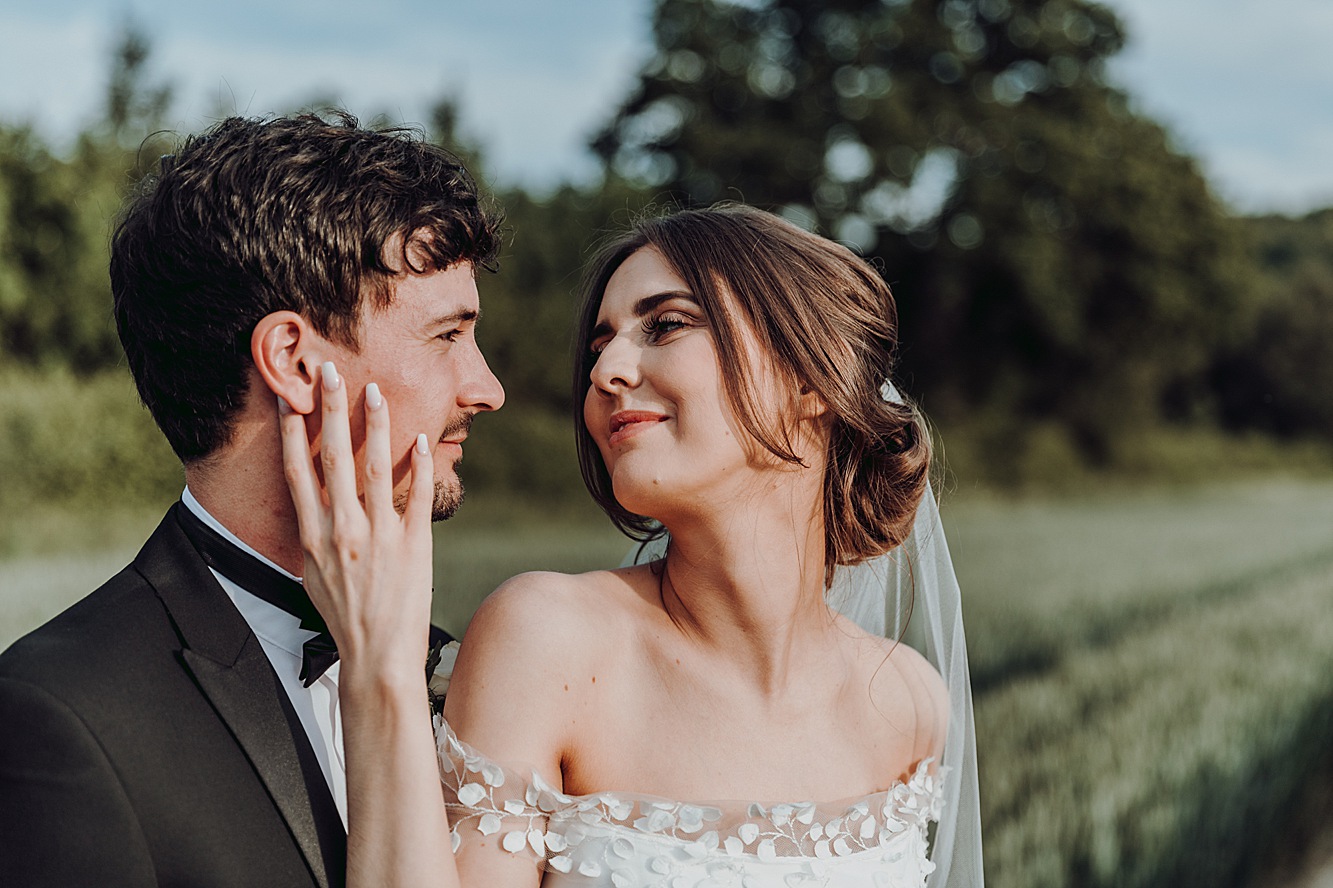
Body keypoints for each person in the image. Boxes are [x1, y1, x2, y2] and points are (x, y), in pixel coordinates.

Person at [284, 204, 983, 886]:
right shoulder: (548, 641)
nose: (605, 371)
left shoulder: (906, 703)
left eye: (666, 325)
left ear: (811, 380)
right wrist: (380, 672)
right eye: (599, 346)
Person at [0, 112, 505, 887]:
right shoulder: (60, 718)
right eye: (446, 336)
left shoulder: (488, 683)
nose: (487, 389)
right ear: (295, 363)